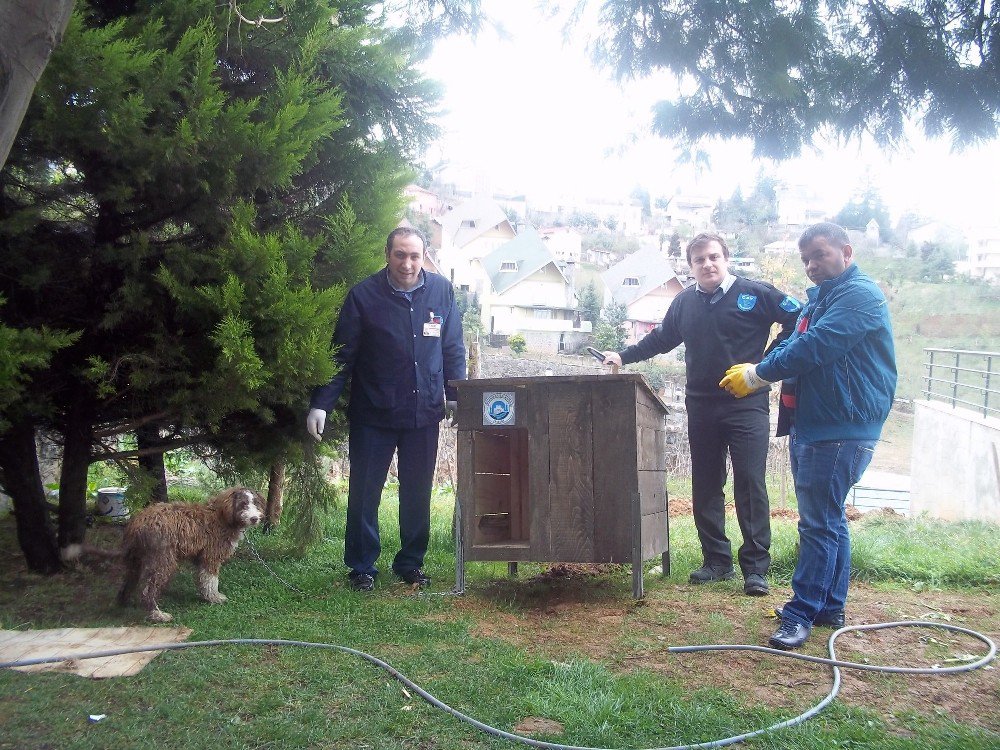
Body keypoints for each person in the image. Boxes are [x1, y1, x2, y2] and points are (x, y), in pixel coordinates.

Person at [720, 222, 896, 649]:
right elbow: (790, 344)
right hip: (816, 421)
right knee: (829, 517)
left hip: (841, 425)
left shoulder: (860, 296)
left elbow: (816, 346)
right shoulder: (821, 299)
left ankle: (800, 612)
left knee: (816, 522)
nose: (813, 265)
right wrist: (761, 366)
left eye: (820, 255)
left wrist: (759, 375)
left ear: (846, 252)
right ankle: (829, 606)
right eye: (806, 259)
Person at [601, 233, 801, 596]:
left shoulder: (756, 293)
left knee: (750, 484)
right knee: (706, 484)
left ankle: (755, 569)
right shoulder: (684, 303)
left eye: (713, 257)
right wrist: (623, 356)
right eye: (699, 260)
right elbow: (661, 339)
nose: (707, 264)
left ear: (726, 258)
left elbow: (797, 318)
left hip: (747, 405)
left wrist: (766, 365)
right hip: (701, 405)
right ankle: (716, 562)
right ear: (690, 267)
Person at [306, 227, 467, 592]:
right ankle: (362, 566)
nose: (407, 264)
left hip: (423, 412)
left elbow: (453, 346)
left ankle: (411, 563)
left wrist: (456, 395)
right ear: (387, 254)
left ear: (424, 256)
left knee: (417, 492)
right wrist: (320, 404)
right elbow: (341, 356)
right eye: (400, 255)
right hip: (373, 414)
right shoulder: (363, 296)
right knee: (364, 492)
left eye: (414, 256)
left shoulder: (441, 291)